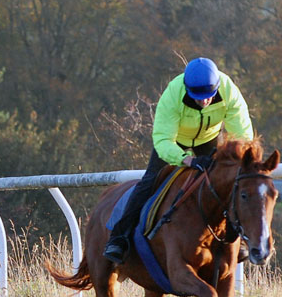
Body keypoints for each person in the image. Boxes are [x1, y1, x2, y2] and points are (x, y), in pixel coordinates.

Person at [104, 57, 253, 264]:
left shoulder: (229, 90)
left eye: (208, 97)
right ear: (186, 87)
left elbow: (242, 136)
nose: (203, 102)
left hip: (208, 139)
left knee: (227, 182)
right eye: (198, 97)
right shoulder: (173, 94)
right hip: (175, 143)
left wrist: (242, 159)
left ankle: (236, 238)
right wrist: (187, 160)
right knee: (150, 182)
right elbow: (163, 140)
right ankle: (118, 238)